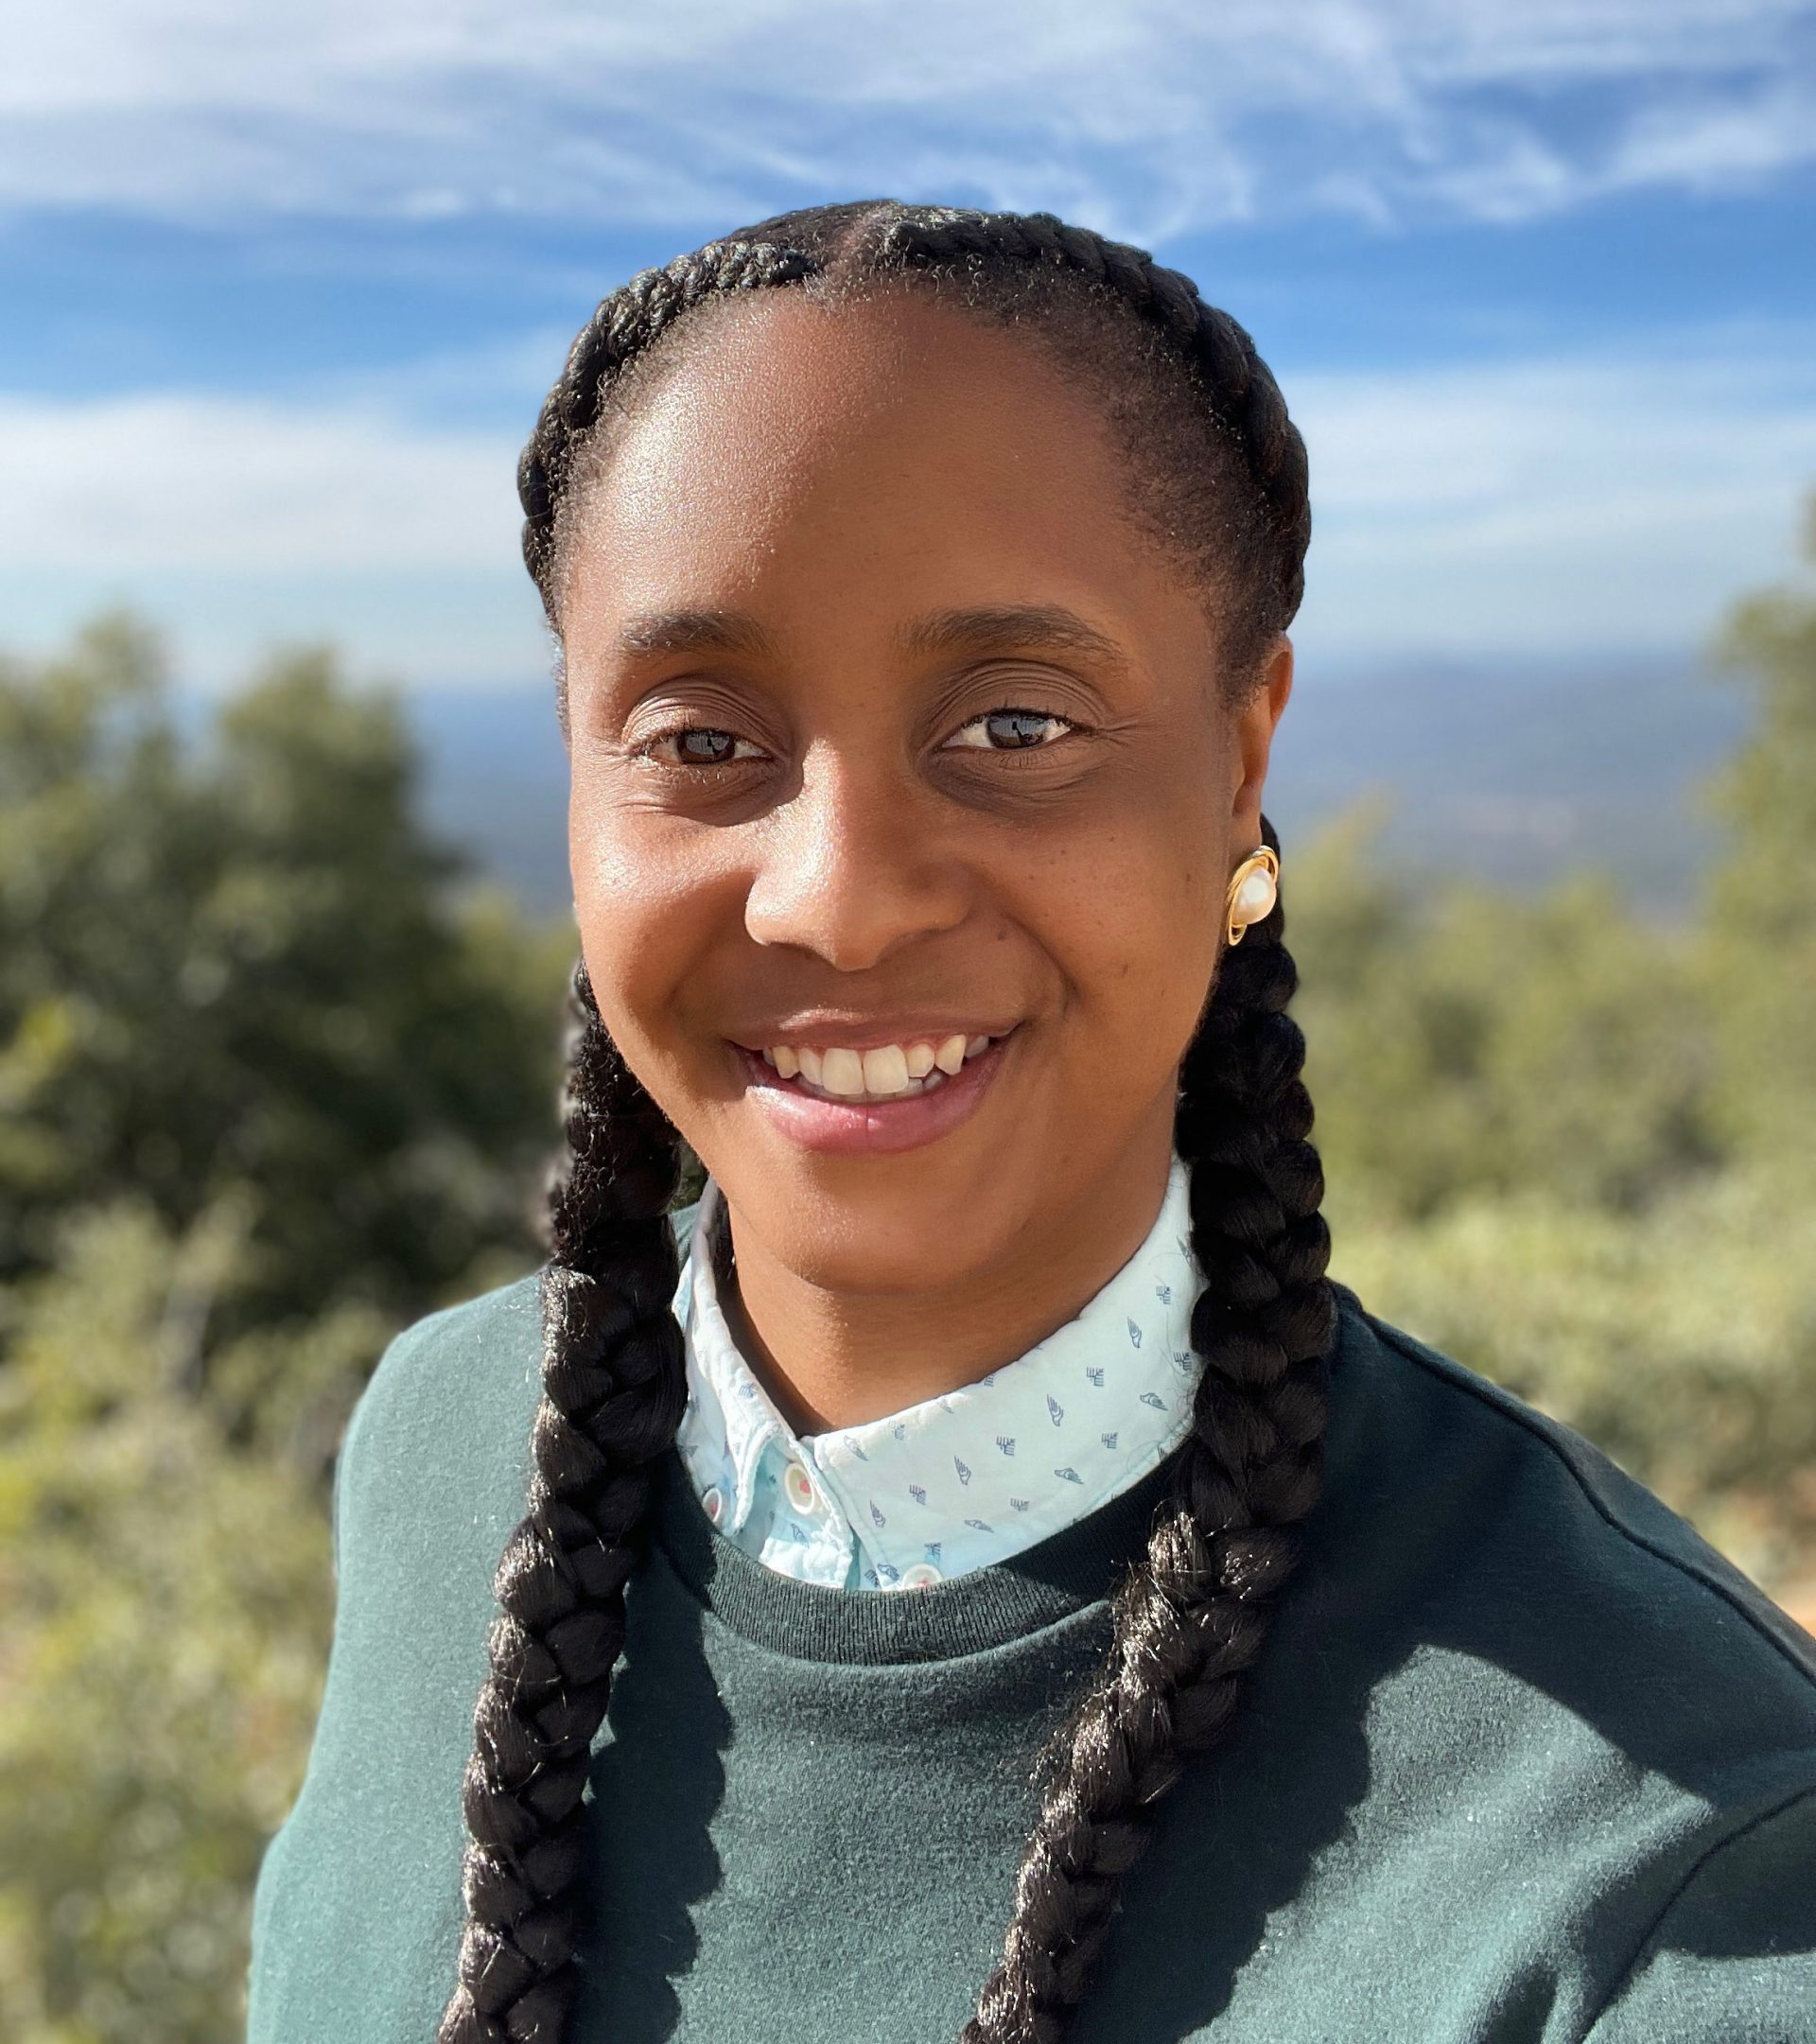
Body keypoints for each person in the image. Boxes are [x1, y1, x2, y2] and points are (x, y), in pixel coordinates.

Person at [246, 202, 1816, 2044]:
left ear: (1240, 761)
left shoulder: (1667, 1867)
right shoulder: (440, 1442)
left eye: (1012, 723)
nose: (837, 897)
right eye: (698, 738)